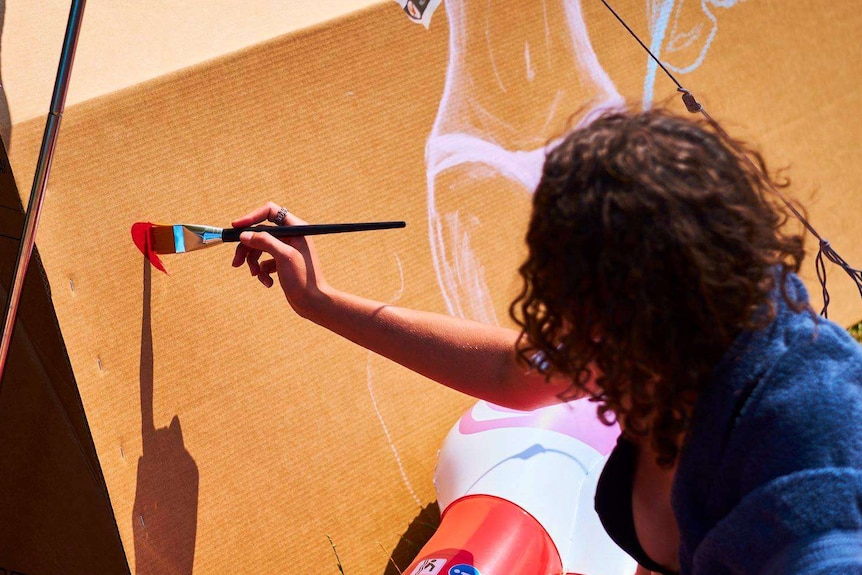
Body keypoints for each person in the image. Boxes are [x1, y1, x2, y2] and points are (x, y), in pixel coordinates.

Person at [231, 108, 862, 575]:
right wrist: (319, 300)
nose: (558, 340)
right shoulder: (664, 350)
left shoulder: (807, 441)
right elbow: (513, 376)